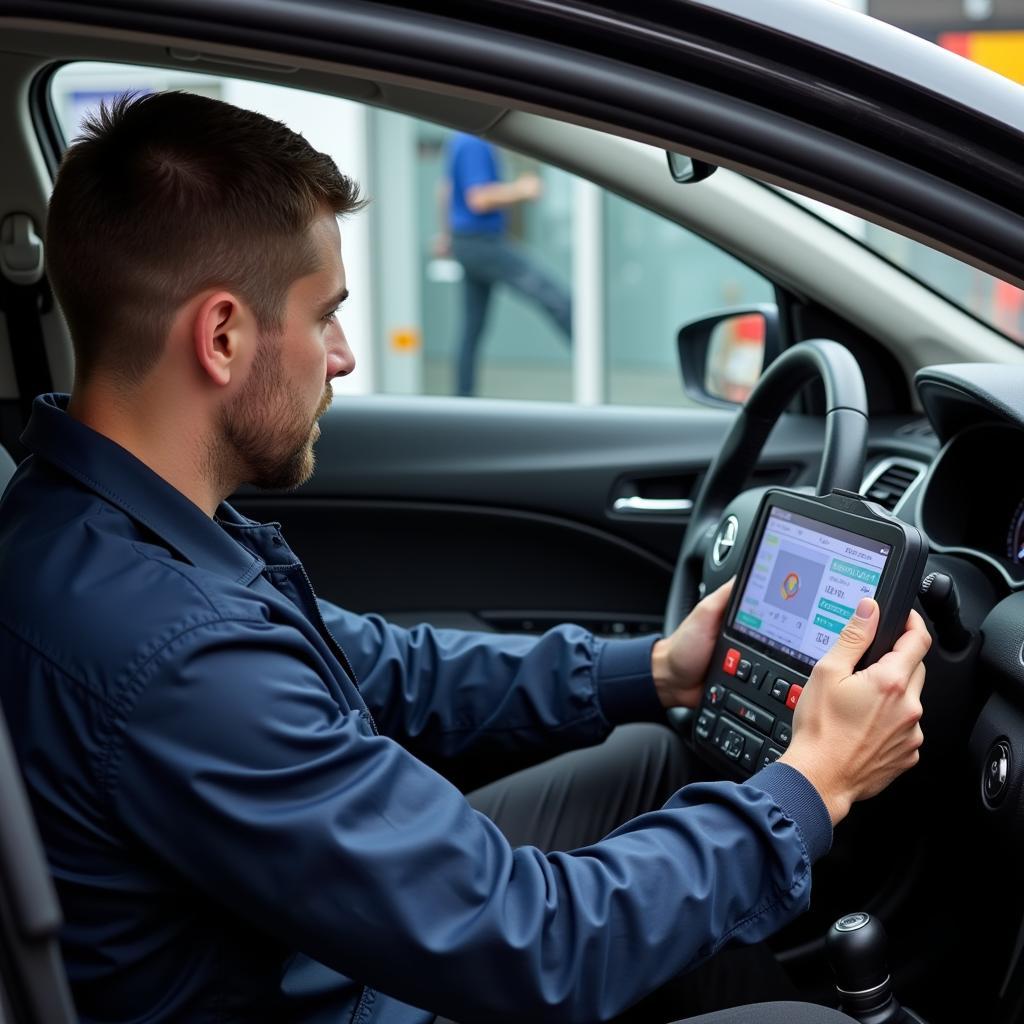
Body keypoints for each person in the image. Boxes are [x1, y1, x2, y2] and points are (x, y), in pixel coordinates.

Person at [0, 92, 930, 1024]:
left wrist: (651, 669)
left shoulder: (86, 526)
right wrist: (814, 782)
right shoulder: (174, 653)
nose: (345, 356)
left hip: (302, 945)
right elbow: (541, 944)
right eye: (324, 316)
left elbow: (380, 668)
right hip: (331, 996)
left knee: (651, 763)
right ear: (223, 336)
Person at [440, 132, 572, 396]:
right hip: (482, 243)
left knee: (472, 326)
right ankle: (593, 359)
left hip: (468, 242)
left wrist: (447, 234)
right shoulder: (473, 141)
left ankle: (462, 400)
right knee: (558, 300)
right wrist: (523, 189)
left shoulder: (459, 139)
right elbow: (478, 198)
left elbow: (445, 190)